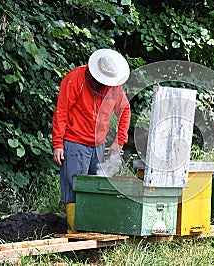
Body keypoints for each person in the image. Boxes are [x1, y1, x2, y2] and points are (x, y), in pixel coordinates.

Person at [52, 49, 131, 233]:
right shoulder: (75, 78)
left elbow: (125, 110)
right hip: (74, 141)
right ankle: (75, 232)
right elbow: (61, 111)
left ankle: (94, 229)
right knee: (74, 186)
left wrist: (119, 141)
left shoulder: (115, 87)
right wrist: (57, 143)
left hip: (98, 144)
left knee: (96, 186)